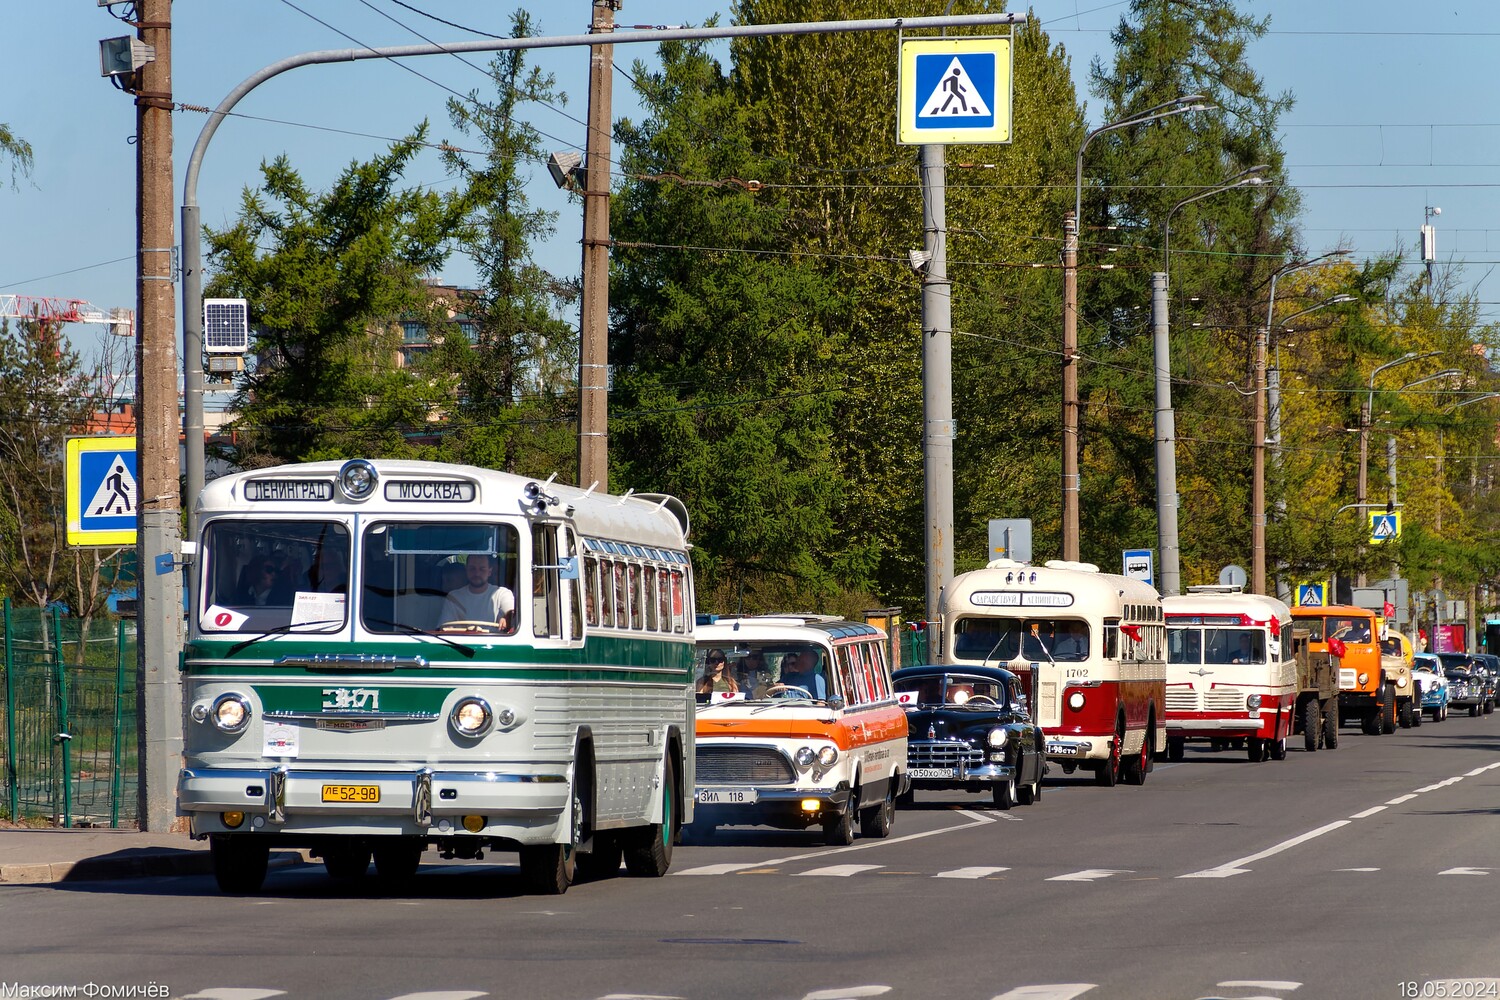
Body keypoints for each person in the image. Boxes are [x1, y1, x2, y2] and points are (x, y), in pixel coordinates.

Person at [442, 553, 515, 631]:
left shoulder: (502, 593)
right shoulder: (454, 596)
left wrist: (507, 618)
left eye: (482, 569)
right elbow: (444, 628)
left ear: (489, 571)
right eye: (472, 568)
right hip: (460, 642)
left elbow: (511, 613)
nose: (477, 573)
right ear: (466, 570)